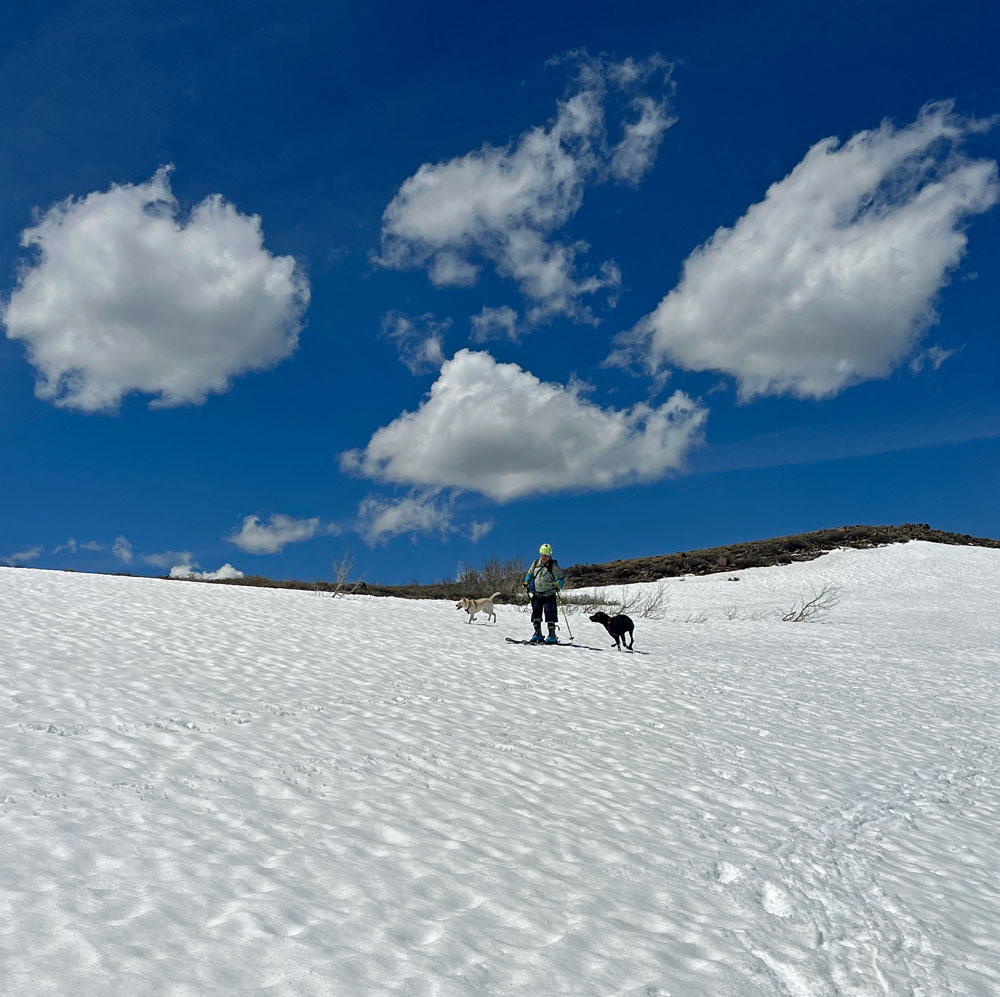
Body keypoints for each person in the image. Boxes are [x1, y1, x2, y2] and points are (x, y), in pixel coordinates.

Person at [523, 543, 565, 643]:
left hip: (549, 594)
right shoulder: (536, 563)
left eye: (547, 555)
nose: (545, 557)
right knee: (536, 614)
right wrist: (526, 582)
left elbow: (561, 578)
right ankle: (538, 634)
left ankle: (552, 635)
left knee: (550, 614)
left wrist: (558, 584)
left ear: (550, 555)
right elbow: (530, 573)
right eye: (543, 555)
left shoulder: (553, 565)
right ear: (540, 554)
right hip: (537, 594)